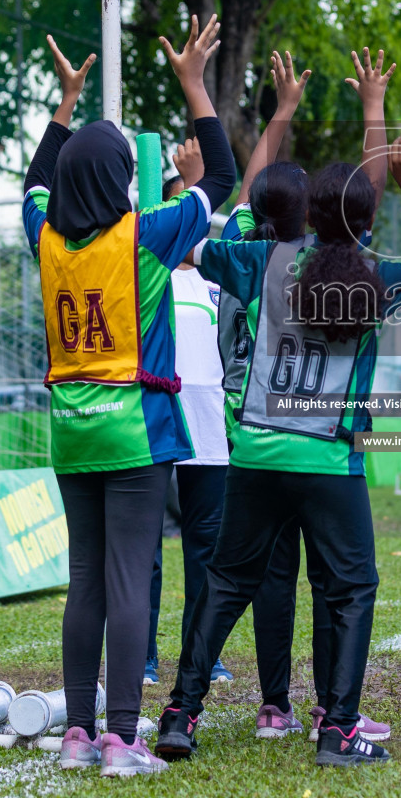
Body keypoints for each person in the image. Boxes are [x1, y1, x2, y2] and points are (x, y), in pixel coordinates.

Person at [156, 123, 401, 768]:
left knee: (226, 583)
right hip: (330, 460)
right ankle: (340, 730)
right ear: (361, 220)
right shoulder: (378, 272)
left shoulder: (257, 259)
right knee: (351, 589)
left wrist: (193, 188)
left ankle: (181, 714)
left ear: (302, 213)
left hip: (258, 455)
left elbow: (190, 246)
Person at [22, 19, 234, 778]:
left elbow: (32, 186)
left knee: (85, 579)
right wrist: (192, 85)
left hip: (71, 431)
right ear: (119, 179)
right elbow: (222, 180)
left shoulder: (45, 238)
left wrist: (63, 108)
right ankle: (121, 737)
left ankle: (78, 732)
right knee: (126, 578)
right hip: (135, 431)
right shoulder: (147, 235)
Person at [233, 50, 390, 747]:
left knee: (269, 576)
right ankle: (335, 709)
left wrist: (282, 114)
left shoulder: (255, 256)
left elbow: (247, 195)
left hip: (258, 438)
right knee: (338, 583)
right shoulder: (339, 266)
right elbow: (368, 195)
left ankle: (274, 704)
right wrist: (373, 110)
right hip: (323, 447)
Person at [143, 162, 234, 690]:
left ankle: (203, 656)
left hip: (209, 429)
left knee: (205, 547)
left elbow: (244, 195)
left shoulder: (216, 278)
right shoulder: (143, 270)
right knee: (145, 548)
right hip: (155, 420)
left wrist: (282, 112)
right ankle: (145, 657)